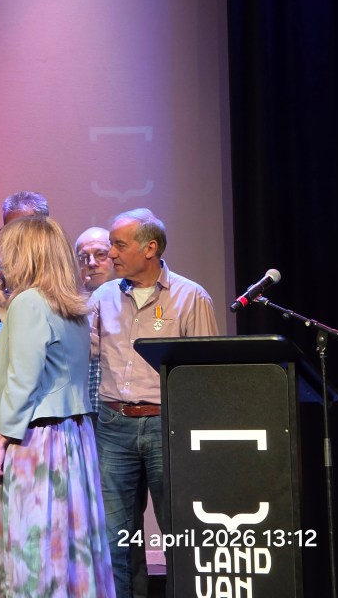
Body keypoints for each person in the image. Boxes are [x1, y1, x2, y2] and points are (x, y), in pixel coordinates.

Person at [0, 216, 114, 598]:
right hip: (72, 440)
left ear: (24, 254)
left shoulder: (30, 303)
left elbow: (23, 380)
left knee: (32, 547)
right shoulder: (71, 306)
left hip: (34, 443)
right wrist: (6, 310)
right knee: (67, 546)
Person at [91, 208, 217, 598]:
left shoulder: (191, 296)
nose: (111, 253)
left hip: (168, 425)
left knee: (179, 532)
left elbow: (205, 372)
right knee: (116, 539)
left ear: (150, 248)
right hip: (113, 425)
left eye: (119, 245)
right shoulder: (103, 296)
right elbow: (83, 353)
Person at [75, 226, 116, 416]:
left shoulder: (131, 302)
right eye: (84, 257)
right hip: (80, 413)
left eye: (101, 255)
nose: (91, 263)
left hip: (117, 416)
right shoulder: (69, 306)